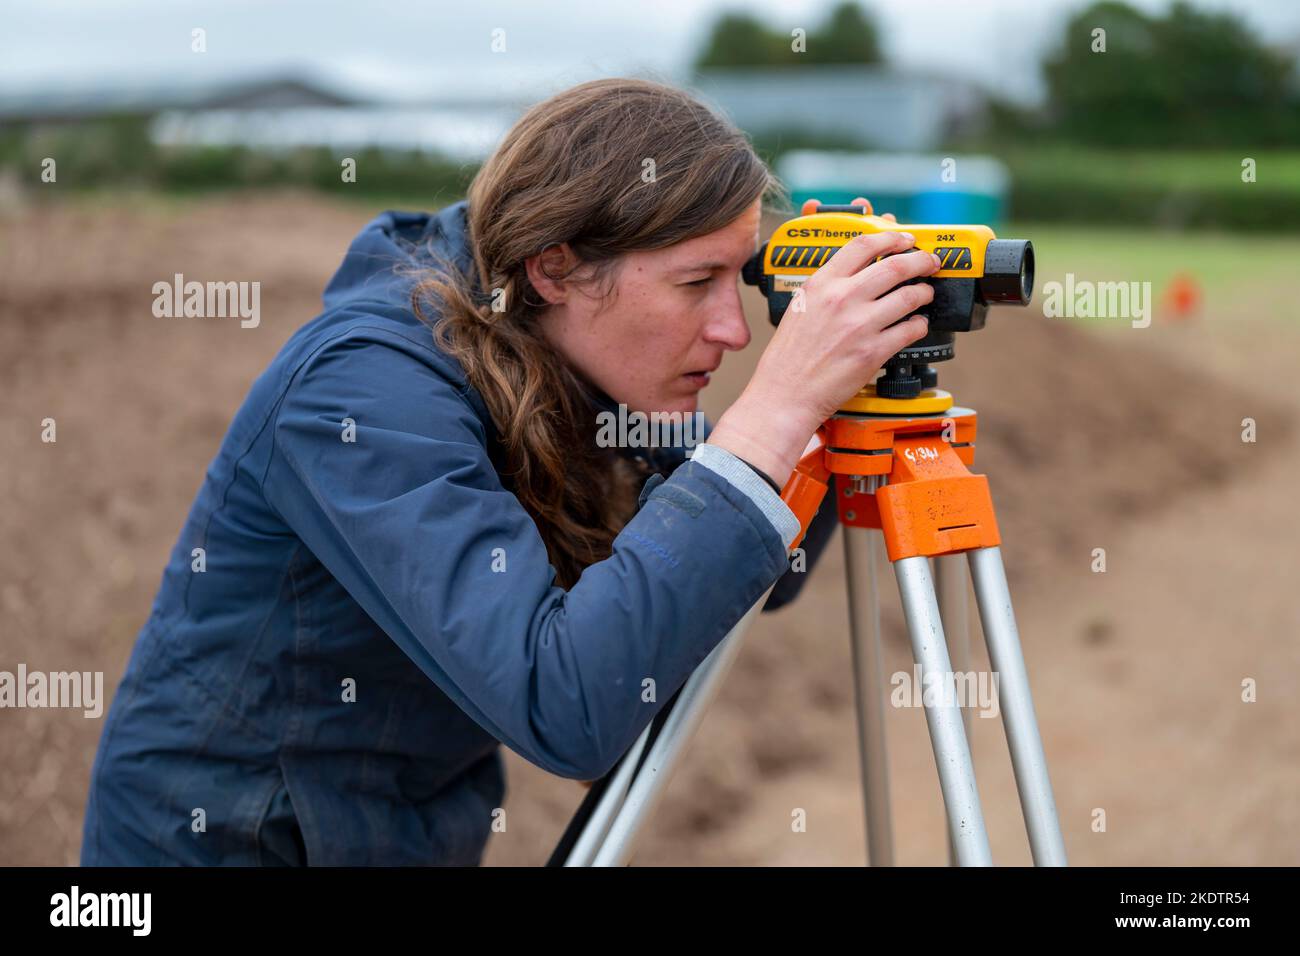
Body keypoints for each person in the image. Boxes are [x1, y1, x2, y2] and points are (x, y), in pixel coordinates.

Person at [81, 77, 938, 865]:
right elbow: (562, 703)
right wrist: (774, 411)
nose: (735, 330)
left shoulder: (575, 345)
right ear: (555, 266)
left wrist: (840, 390)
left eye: (740, 278)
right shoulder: (359, 395)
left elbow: (744, 571)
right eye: (696, 281)